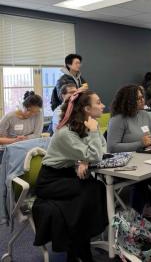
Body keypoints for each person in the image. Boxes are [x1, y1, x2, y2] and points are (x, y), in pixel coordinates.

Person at [33, 90, 107, 262]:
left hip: (67, 175)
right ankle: (79, 247)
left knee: (94, 188)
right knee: (88, 191)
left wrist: (85, 161)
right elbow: (95, 154)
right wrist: (91, 145)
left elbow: (101, 150)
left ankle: (78, 247)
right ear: (87, 108)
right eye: (99, 102)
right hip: (50, 181)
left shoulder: (83, 125)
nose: (103, 105)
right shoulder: (66, 132)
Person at [107, 84, 151, 220]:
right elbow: (111, 147)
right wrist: (139, 144)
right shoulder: (118, 119)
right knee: (144, 176)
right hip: (126, 162)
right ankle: (137, 217)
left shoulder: (145, 115)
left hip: (144, 157)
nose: (142, 100)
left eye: (142, 97)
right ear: (128, 101)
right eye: (138, 98)